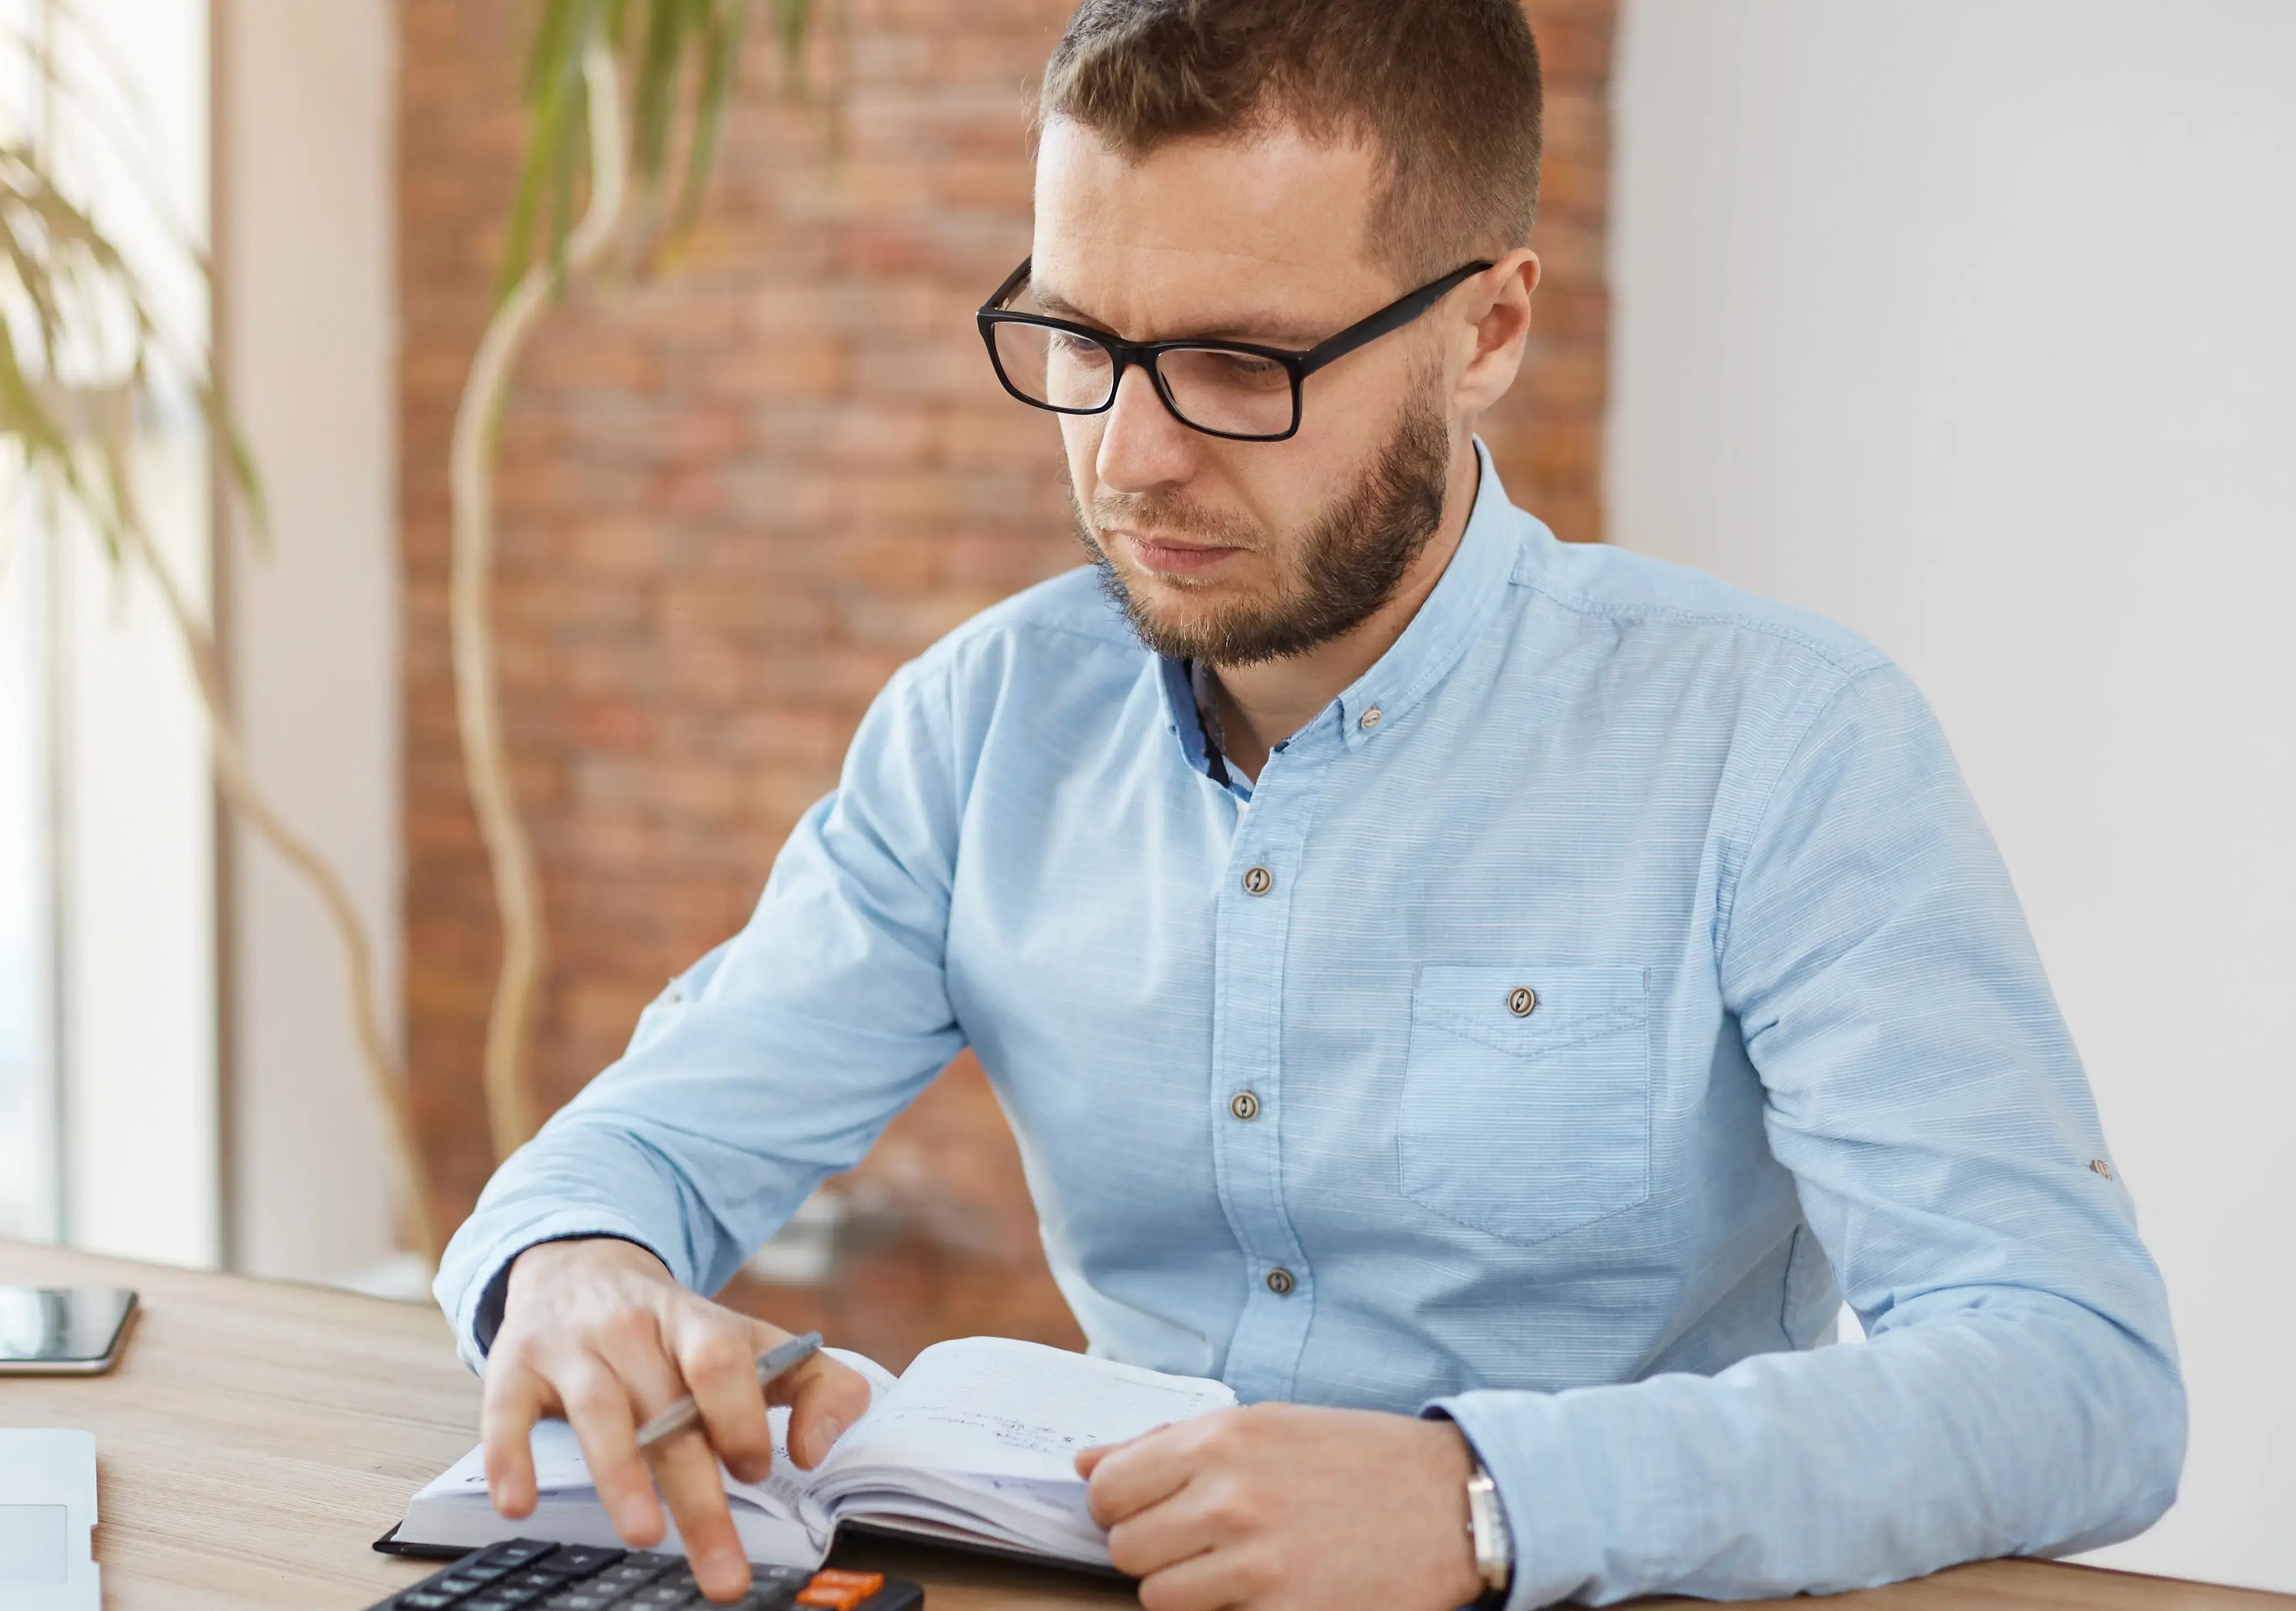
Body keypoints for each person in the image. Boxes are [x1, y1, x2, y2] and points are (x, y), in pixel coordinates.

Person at [432, 2, 2185, 1607]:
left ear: (1487, 329)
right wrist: (579, 1263)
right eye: (1078, 339)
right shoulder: (982, 729)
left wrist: (1480, 1498)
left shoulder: (1782, 744)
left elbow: (2073, 1374)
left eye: (1240, 366)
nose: (1129, 459)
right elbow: (641, 1148)